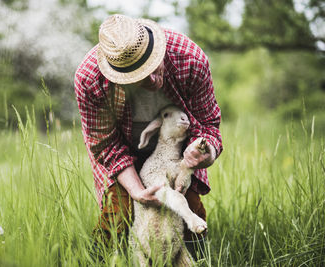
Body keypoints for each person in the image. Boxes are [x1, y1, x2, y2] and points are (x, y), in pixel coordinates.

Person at [74, 14, 223, 259]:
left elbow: (208, 125)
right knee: (118, 213)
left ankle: (197, 260)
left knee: (190, 211)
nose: (152, 80)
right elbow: (107, 145)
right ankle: (103, 260)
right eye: (139, 78)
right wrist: (137, 192)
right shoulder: (90, 79)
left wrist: (204, 154)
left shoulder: (190, 58)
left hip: (176, 153)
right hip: (123, 146)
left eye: (152, 68)